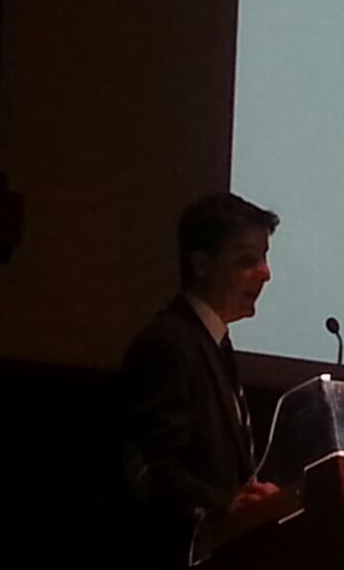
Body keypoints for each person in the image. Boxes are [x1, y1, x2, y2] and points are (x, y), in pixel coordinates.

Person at [119, 192, 283, 566]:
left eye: (264, 257)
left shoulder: (211, 342)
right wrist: (222, 506)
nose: (265, 273)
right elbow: (152, 465)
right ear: (202, 265)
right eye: (247, 260)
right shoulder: (169, 344)